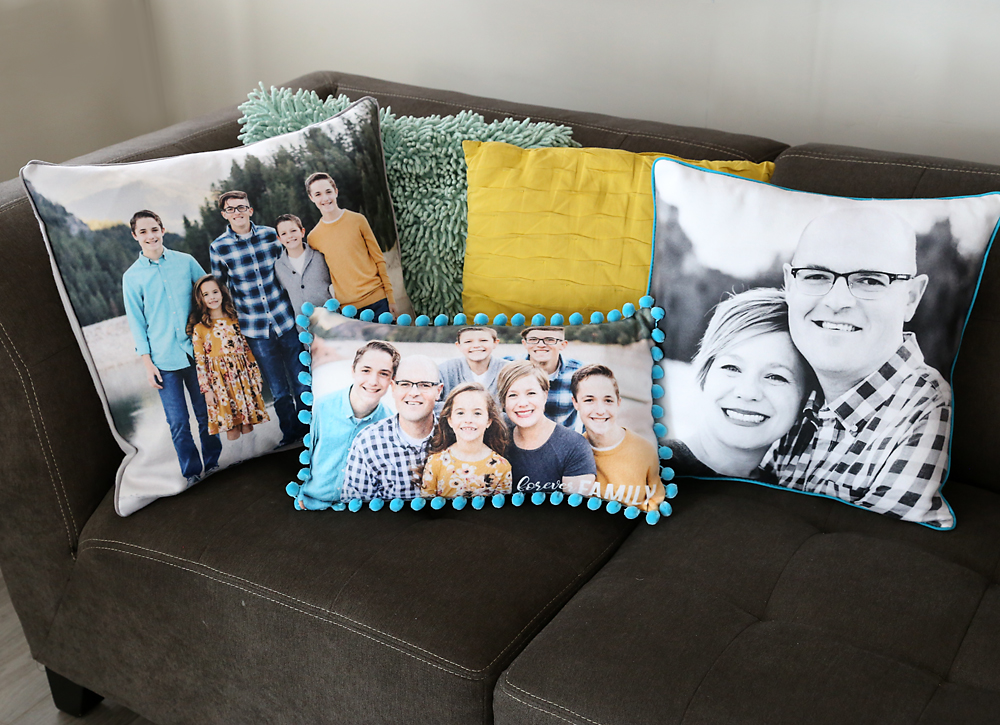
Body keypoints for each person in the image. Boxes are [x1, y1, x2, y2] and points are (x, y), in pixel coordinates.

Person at [771, 206, 953, 527]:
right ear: (789, 285)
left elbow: (874, 555)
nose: (837, 301)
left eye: (870, 280)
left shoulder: (929, 409)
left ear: (910, 298)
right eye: (816, 275)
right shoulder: (792, 398)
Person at [666, 288, 812, 480]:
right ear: (706, 372)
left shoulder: (787, 493)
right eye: (732, 368)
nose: (747, 392)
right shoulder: (643, 470)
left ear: (805, 398)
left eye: (775, 377)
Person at [122, 210, 222, 483]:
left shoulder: (185, 262)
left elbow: (210, 294)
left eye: (154, 229)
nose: (150, 235)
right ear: (135, 236)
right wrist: (147, 363)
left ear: (162, 230)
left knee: (205, 415)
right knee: (178, 423)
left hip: (196, 353)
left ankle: (213, 464)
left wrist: (215, 335)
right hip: (162, 359)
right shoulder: (132, 277)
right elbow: (136, 322)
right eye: (143, 232)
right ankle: (192, 473)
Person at [209, 190, 307, 447]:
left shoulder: (270, 236)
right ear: (224, 215)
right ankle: (291, 434)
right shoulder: (219, 247)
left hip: (285, 320)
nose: (237, 212)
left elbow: (289, 265)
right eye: (231, 209)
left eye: (242, 207)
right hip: (255, 328)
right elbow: (220, 288)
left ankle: (311, 428)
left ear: (250, 210)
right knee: (278, 388)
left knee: (301, 379)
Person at [290, 340, 399, 510]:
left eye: (383, 374)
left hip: (359, 511)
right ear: (353, 371)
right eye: (366, 370)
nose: (373, 381)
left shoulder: (390, 424)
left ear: (392, 381)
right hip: (310, 503)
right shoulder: (320, 408)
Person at [342, 355, 442, 500]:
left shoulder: (456, 437)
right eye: (405, 384)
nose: (414, 393)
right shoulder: (367, 443)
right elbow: (356, 512)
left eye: (425, 385)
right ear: (393, 388)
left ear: (438, 391)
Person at [570, 364, 664, 511]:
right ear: (575, 403)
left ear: (618, 402)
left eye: (608, 400)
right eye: (589, 400)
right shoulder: (570, 455)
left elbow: (656, 505)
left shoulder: (644, 451)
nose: (600, 410)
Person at [187, 275, 269, 441]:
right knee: (231, 426)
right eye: (206, 294)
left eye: (215, 292)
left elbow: (247, 351)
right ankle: (238, 457)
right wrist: (207, 390)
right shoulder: (200, 328)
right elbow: (200, 363)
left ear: (222, 293)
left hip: (242, 379)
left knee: (247, 423)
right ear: (200, 299)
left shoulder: (235, 320)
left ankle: (254, 455)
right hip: (219, 385)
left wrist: (256, 377)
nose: (212, 297)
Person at [304, 172, 396, 318]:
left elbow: (379, 259)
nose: (325, 198)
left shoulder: (358, 220)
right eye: (318, 194)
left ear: (336, 192)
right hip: (349, 309)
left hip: (378, 300)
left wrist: (390, 297)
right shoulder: (313, 238)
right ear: (311, 198)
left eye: (328, 191)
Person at [499, 360, 596, 495]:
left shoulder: (574, 446)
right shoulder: (496, 437)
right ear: (503, 402)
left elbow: (575, 511)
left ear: (545, 395)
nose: (522, 403)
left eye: (531, 393)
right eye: (512, 395)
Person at [421, 382, 512, 498]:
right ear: (450, 420)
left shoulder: (501, 467)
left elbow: (500, 513)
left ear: (489, 420)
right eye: (460, 413)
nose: (468, 420)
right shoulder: (435, 463)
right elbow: (427, 511)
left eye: (477, 413)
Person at [510, 326, 583, 428]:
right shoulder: (507, 367)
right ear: (525, 343)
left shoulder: (580, 372)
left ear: (563, 345)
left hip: (561, 440)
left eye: (549, 340)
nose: (540, 345)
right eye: (533, 340)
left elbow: (591, 412)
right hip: (514, 440)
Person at [272, 213, 334, 327]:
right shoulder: (278, 266)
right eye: (284, 234)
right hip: (306, 330)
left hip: (332, 321)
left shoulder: (319, 256)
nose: (290, 236)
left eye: (293, 231)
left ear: (302, 232)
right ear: (279, 239)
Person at [438, 326, 506, 403]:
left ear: (495, 343)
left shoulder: (508, 369)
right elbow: (432, 403)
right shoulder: (445, 369)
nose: (476, 345)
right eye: (468, 342)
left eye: (483, 340)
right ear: (459, 346)